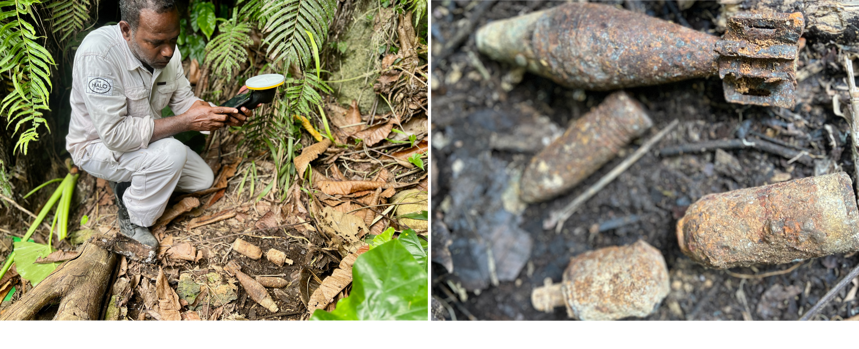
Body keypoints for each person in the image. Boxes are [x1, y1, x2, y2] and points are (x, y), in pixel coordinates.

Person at [66, 0, 252, 253]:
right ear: (126, 30)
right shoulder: (98, 55)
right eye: (156, 43)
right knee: (171, 153)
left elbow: (184, 101)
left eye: (173, 40)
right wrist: (186, 122)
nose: (168, 52)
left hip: (145, 142)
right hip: (97, 147)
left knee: (202, 179)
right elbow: (114, 135)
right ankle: (133, 219)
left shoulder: (167, 51)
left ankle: (129, 182)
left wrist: (221, 113)